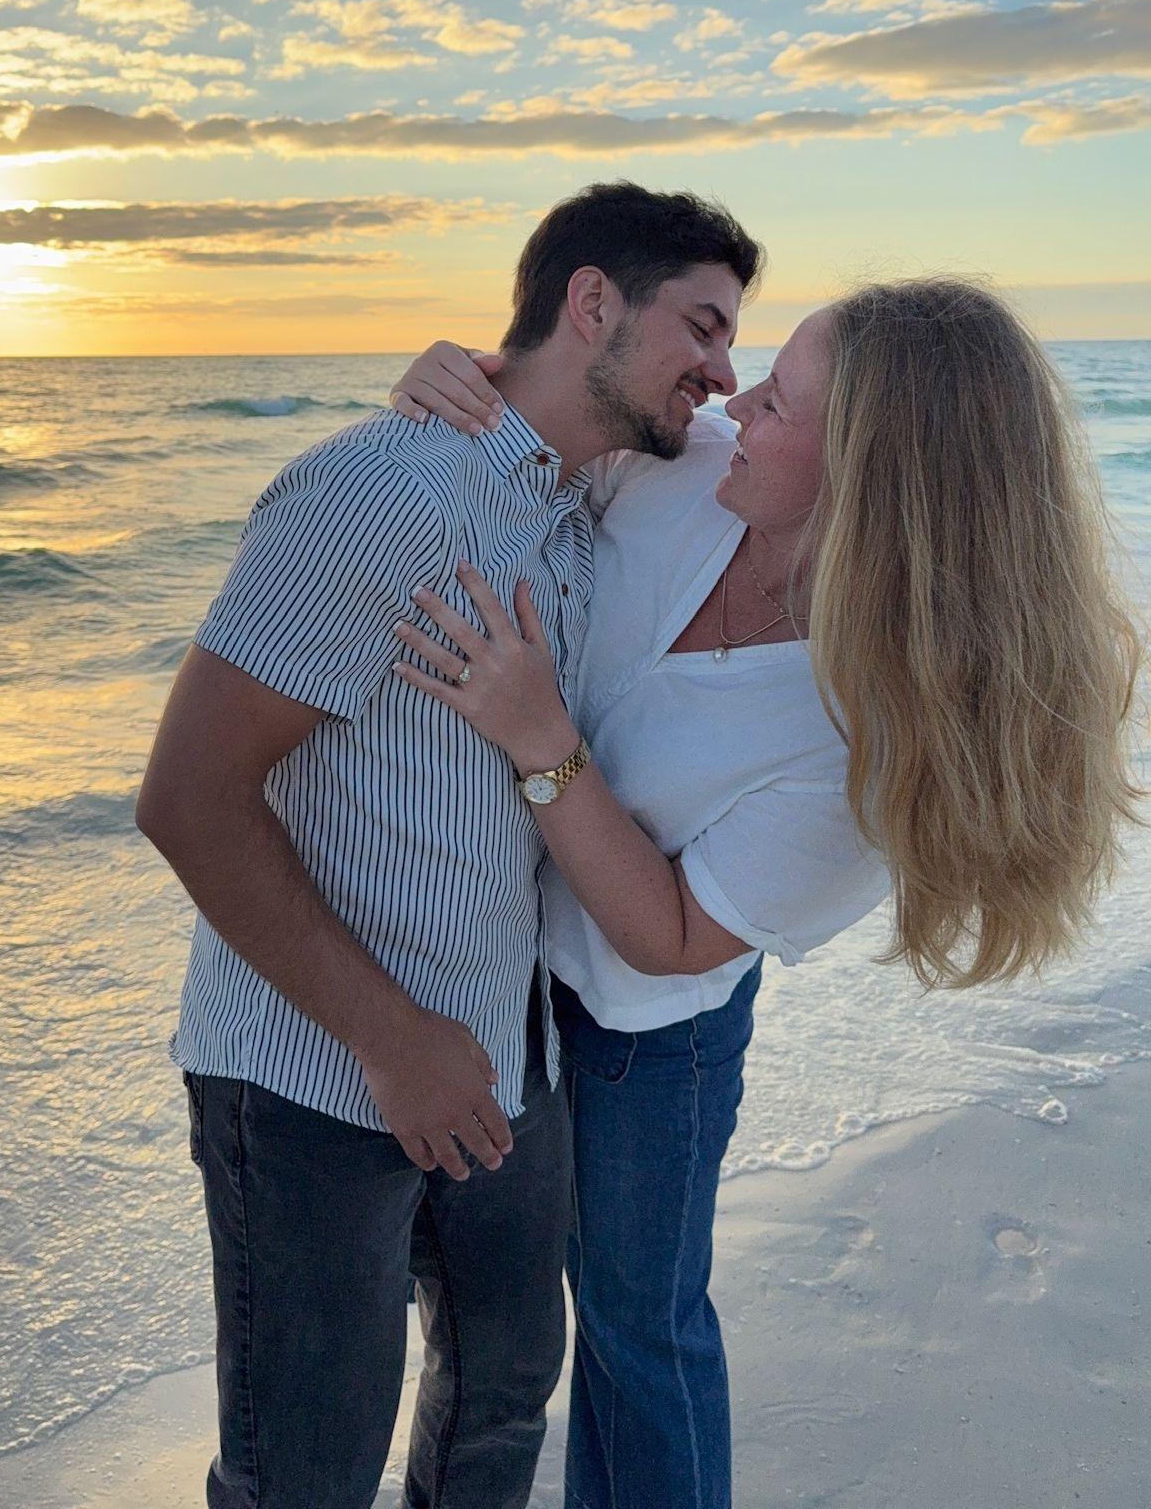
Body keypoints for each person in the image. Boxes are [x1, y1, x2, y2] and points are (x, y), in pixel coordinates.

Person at [388, 277, 1148, 1509]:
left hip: (651, 1041)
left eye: (784, 401)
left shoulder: (872, 741)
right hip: (489, 967)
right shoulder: (696, 466)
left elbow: (677, 936)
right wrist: (454, 385)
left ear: (868, 477)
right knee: (485, 1314)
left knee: (638, 1328)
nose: (738, 402)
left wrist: (541, 739)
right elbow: (542, 438)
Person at [135, 183, 764, 1509]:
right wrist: (392, 1037)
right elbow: (189, 797)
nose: (724, 371)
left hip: (507, 1061)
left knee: (494, 1420)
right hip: (314, 1077)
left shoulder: (587, 496)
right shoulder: (379, 488)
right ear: (593, 300)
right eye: (702, 326)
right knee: (301, 1467)